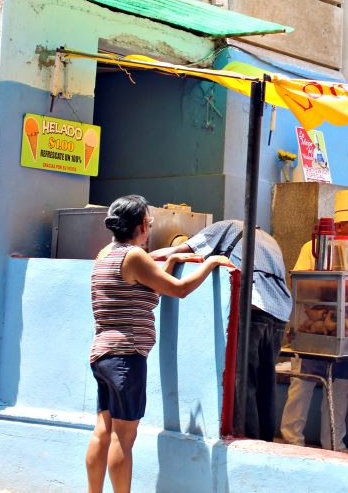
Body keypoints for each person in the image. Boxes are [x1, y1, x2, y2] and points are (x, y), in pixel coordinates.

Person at [86, 195, 227, 493]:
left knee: (103, 431)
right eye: (149, 222)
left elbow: (143, 288)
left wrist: (171, 260)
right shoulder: (133, 257)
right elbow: (180, 289)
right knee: (123, 437)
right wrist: (211, 262)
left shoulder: (104, 255)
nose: (149, 228)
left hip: (103, 355)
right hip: (126, 356)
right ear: (140, 225)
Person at [150, 220, 292, 442]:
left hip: (252, 305)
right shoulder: (270, 240)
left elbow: (177, 250)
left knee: (244, 382)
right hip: (279, 311)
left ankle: (249, 445)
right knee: (266, 384)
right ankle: (267, 444)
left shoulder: (226, 226)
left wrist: (138, 255)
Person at [280, 189, 348, 451]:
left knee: (339, 391)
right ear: (338, 225)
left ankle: (334, 445)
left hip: (345, 330)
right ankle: (291, 441)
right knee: (302, 386)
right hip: (314, 329)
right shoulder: (312, 247)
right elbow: (300, 282)